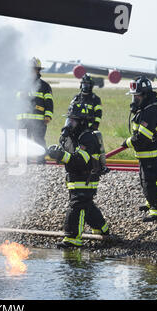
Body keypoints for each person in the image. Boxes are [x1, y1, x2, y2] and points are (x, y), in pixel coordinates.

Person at [47, 102, 109, 248]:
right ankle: (102, 229)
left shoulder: (87, 138)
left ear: (81, 122)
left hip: (86, 178)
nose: (69, 124)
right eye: (68, 120)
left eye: (72, 120)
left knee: (77, 205)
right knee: (86, 205)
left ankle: (72, 238)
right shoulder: (70, 137)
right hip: (74, 178)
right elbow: (65, 154)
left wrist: (62, 155)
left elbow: (81, 160)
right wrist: (55, 152)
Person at [121, 76, 157, 222]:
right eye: (133, 96)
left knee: (152, 181)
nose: (134, 99)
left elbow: (142, 138)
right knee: (146, 181)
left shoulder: (151, 111)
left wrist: (127, 142)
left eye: (137, 96)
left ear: (145, 94)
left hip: (152, 154)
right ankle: (153, 202)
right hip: (146, 154)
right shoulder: (146, 108)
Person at [16, 57, 54, 163]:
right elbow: (15, 100)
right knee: (24, 140)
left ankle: (41, 160)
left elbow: (49, 102)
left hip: (38, 120)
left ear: (38, 70)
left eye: (33, 69)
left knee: (39, 140)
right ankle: (25, 159)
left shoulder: (44, 86)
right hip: (23, 119)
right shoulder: (21, 84)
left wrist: (48, 115)